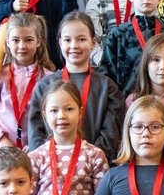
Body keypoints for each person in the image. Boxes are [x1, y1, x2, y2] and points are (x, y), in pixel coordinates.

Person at [25, 12, 124, 155]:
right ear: (60, 43)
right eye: (67, 40)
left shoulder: (108, 88)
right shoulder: (44, 86)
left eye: (81, 39)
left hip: (94, 169)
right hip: (51, 169)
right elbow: (36, 133)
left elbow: (111, 135)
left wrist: (88, 161)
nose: (74, 45)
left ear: (93, 42)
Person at [0, 13, 56, 153]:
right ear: (8, 42)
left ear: (38, 41)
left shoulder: (49, 79)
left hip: (35, 154)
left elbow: (53, 118)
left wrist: (38, 144)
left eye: (28, 40)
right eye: (16, 40)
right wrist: (2, 140)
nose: (22, 46)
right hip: (0, 153)